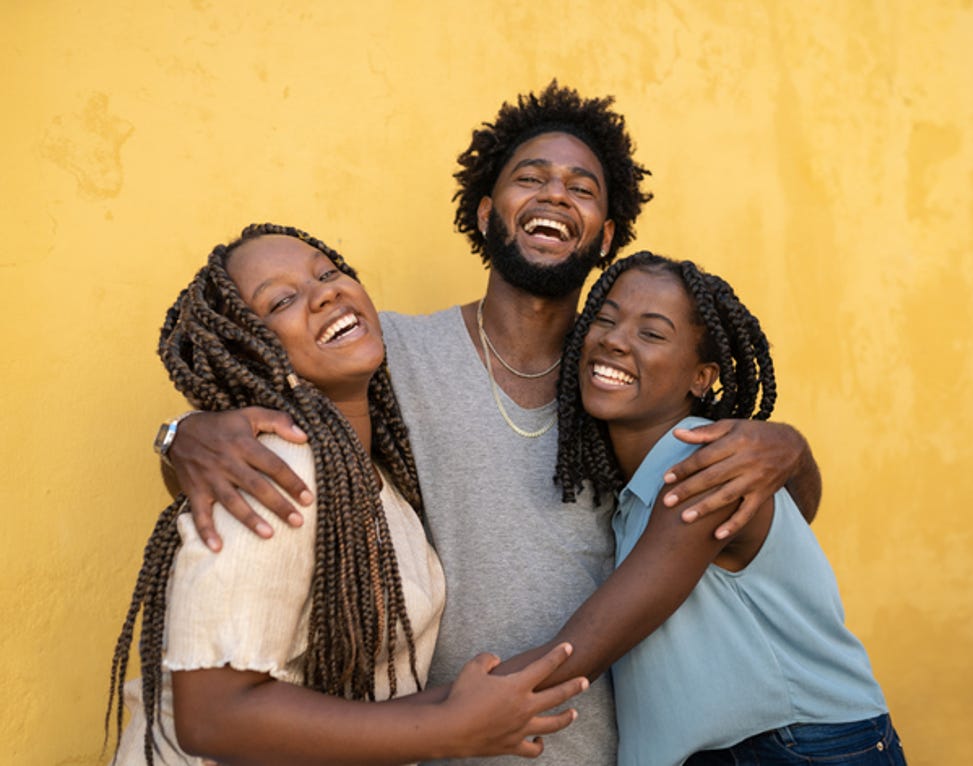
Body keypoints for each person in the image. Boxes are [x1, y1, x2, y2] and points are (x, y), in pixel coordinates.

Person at [163, 83, 823, 764]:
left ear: (604, 238)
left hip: (595, 749)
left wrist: (791, 450)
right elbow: (270, 424)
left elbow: (756, 514)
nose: (555, 194)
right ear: (485, 214)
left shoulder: (620, 382)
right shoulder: (384, 352)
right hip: (442, 744)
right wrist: (181, 437)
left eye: (581, 187)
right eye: (530, 178)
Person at [106, 224, 588, 765]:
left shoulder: (370, 476)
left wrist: (463, 711)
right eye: (282, 300)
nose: (326, 293)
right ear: (248, 349)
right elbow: (212, 714)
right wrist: (447, 727)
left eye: (328, 273)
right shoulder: (276, 469)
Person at [499, 251, 904, 765]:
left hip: (797, 749)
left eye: (652, 333)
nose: (615, 339)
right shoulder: (642, 488)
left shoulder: (704, 471)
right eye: (604, 319)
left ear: (701, 377)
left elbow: (579, 653)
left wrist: (422, 718)